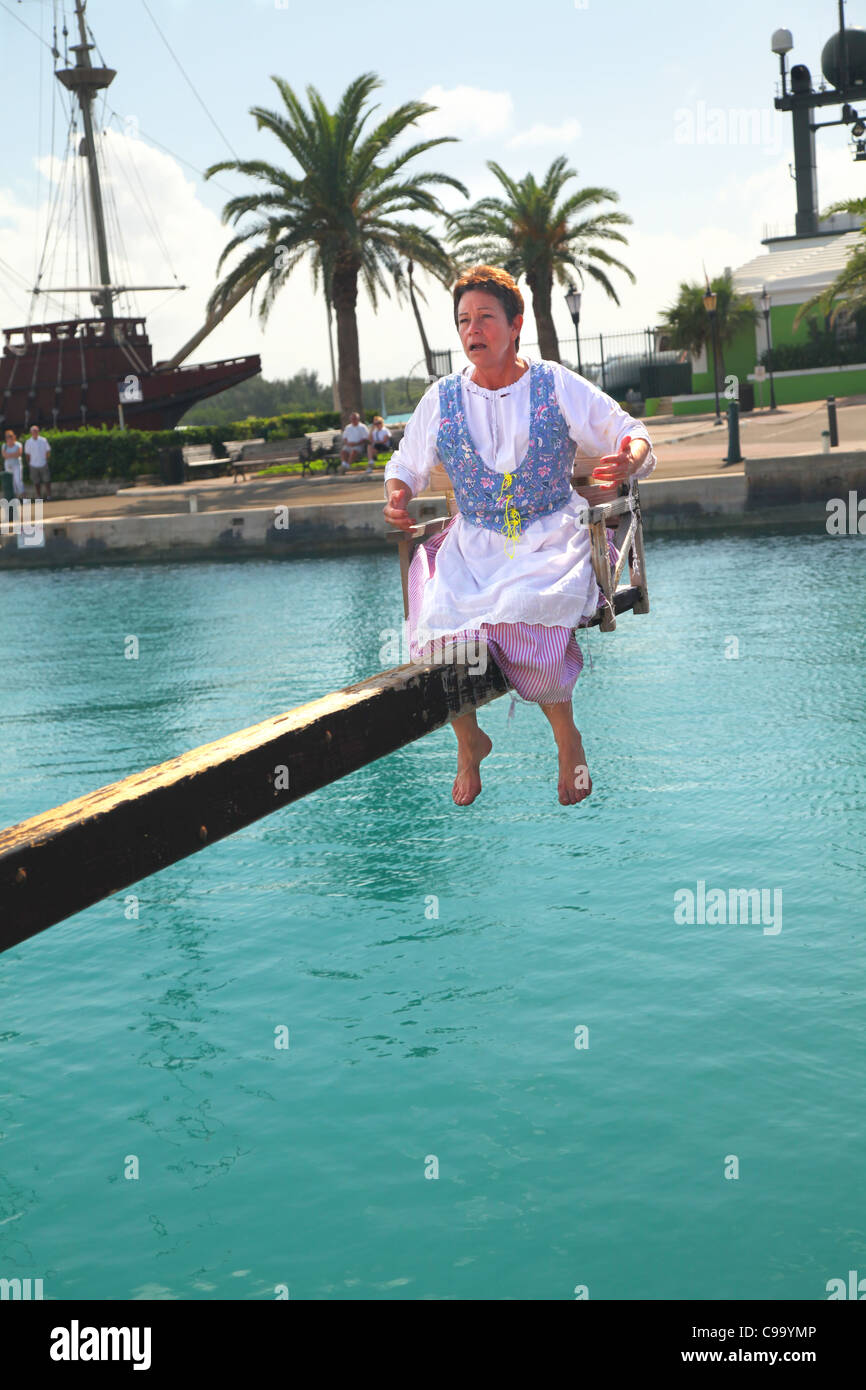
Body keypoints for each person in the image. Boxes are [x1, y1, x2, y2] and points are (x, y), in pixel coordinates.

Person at [383, 264, 656, 809]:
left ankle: (566, 735)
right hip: (476, 543)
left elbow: (629, 430)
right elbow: (406, 462)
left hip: (551, 538)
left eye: (484, 317)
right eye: (463, 320)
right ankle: (469, 740)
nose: (472, 330)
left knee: (527, 605)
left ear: (515, 324)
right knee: (433, 621)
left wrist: (629, 458)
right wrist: (397, 493)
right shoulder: (441, 398)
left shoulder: (554, 383)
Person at [24, 424, 52, 501]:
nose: (35, 432)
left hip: (43, 463)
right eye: (33, 431)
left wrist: (46, 459)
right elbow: (27, 454)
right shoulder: (28, 442)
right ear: (31, 432)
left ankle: (49, 496)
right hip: (33, 464)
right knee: (36, 482)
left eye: (36, 431)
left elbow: (48, 451)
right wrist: (29, 463)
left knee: (47, 480)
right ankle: (39, 496)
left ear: (38, 431)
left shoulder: (43, 440)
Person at [2, 428, 25, 500]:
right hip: (8, 465)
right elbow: (4, 455)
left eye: (10, 436)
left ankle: (23, 497)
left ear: (14, 436)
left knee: (18, 481)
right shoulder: (4, 446)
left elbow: (19, 454)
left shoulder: (18, 444)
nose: (9, 438)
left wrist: (9, 455)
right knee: (11, 482)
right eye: (7, 436)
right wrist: (13, 454)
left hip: (17, 465)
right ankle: (13, 498)